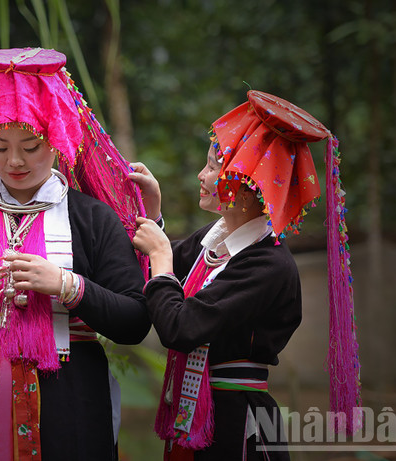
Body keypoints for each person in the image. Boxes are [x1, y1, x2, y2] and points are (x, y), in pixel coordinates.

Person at [0, 47, 151, 460]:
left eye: (31, 146)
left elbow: (135, 321)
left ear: (57, 137)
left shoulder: (91, 218)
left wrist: (68, 286)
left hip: (72, 406)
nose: (14, 161)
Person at [129, 90, 361, 460]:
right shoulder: (216, 241)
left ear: (249, 183)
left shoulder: (267, 265)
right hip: (202, 415)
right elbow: (161, 271)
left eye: (212, 166)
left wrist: (159, 252)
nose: (201, 176)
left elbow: (180, 327)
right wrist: (153, 213)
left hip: (238, 425)